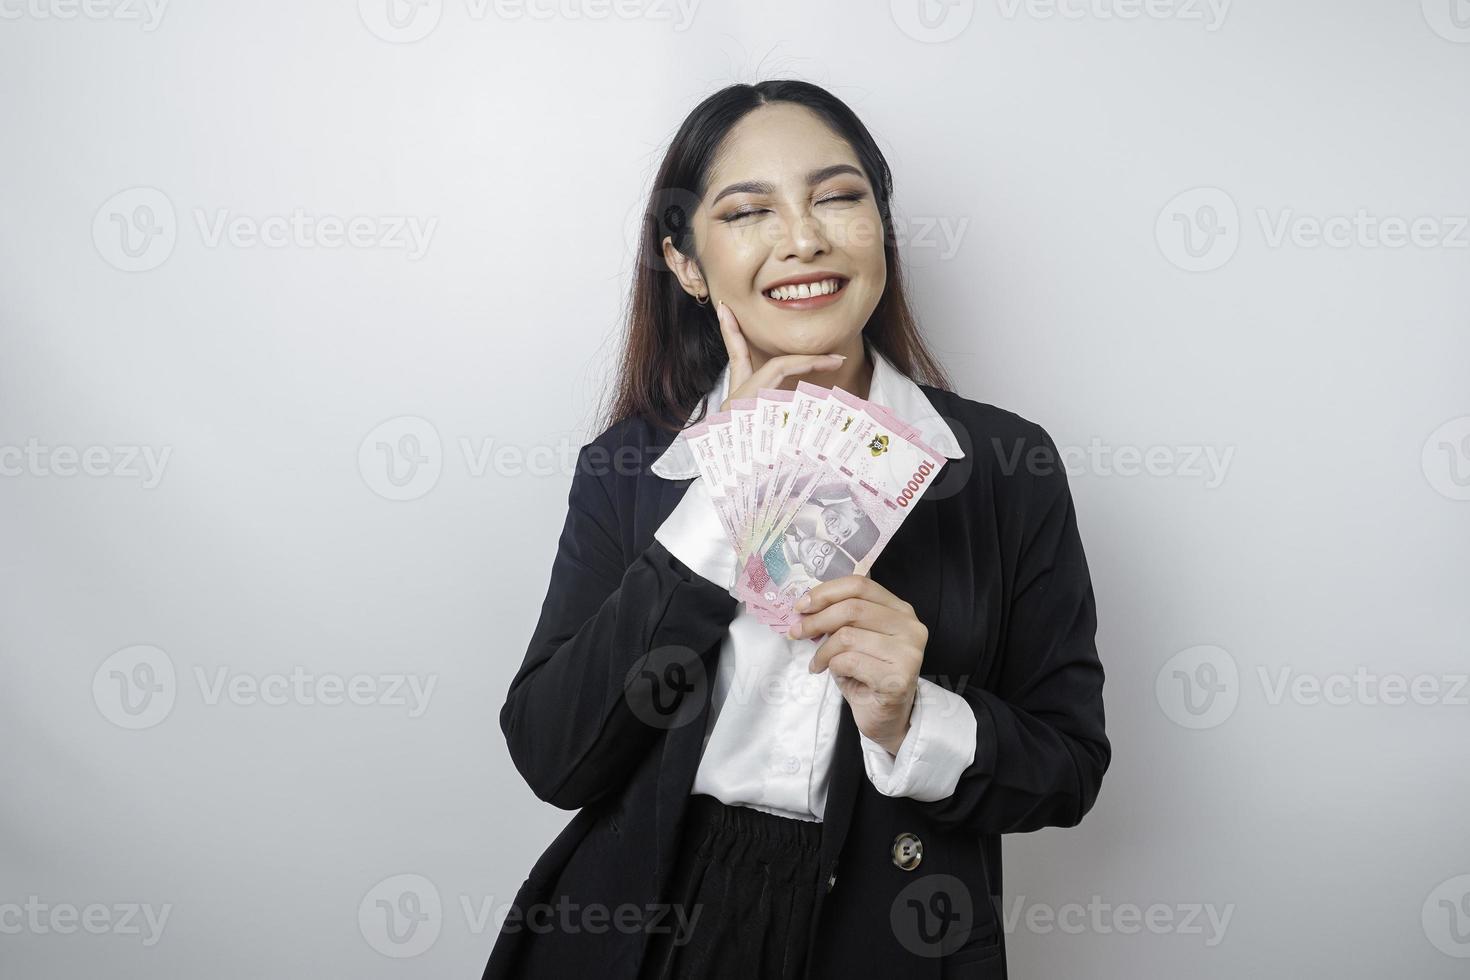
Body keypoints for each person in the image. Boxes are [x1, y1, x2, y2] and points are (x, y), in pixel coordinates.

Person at [481, 79, 1110, 980]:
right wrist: (718, 503)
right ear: (688, 264)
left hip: (880, 933)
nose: (803, 238)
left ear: (880, 230)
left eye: (839, 197)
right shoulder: (631, 469)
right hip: (640, 932)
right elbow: (554, 755)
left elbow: (1070, 766)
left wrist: (912, 716)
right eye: (748, 211)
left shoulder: (1009, 469)